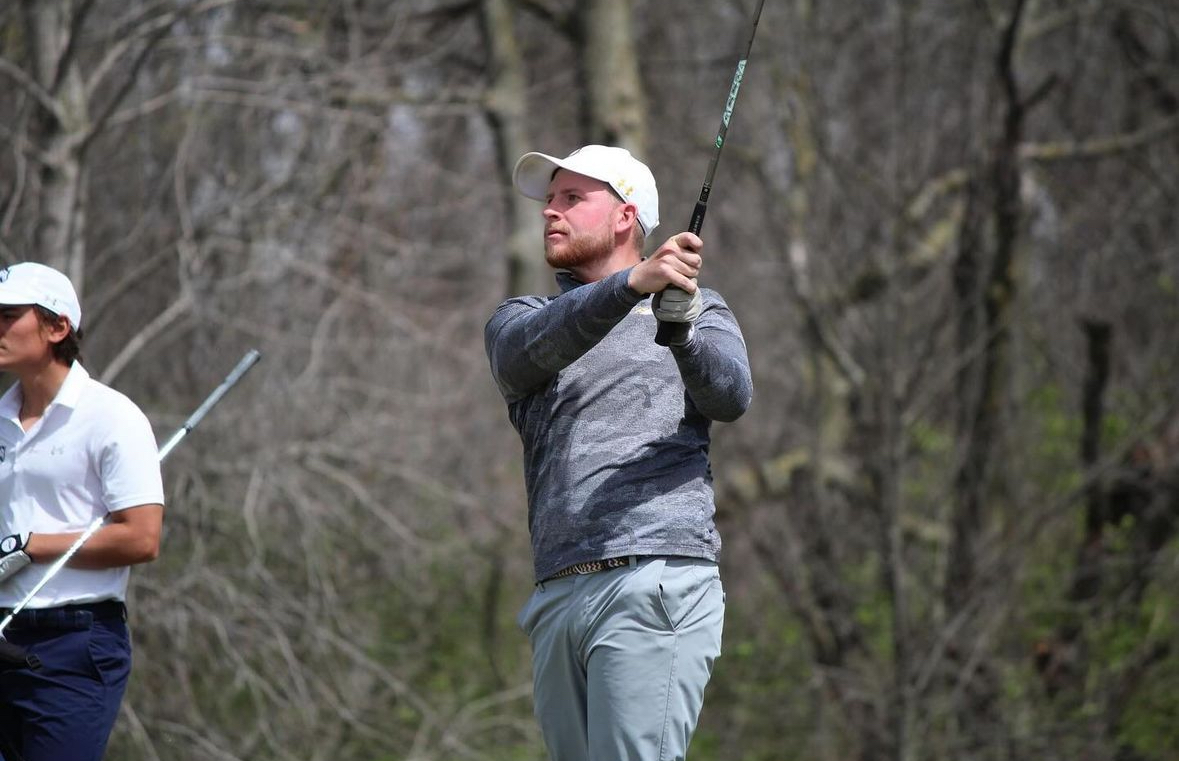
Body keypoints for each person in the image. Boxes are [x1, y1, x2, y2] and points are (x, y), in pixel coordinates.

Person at [484, 145, 753, 760]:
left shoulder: (703, 312)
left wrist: (679, 330)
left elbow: (731, 396)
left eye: (571, 198)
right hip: (557, 594)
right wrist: (634, 284)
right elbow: (522, 354)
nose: (551, 212)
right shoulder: (524, 319)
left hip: (655, 579)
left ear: (625, 218)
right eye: (549, 200)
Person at [0, 262, 165, 761]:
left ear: (56, 327)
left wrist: (31, 548)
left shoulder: (112, 417)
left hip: (74, 645)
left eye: (8, 315)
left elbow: (141, 539)